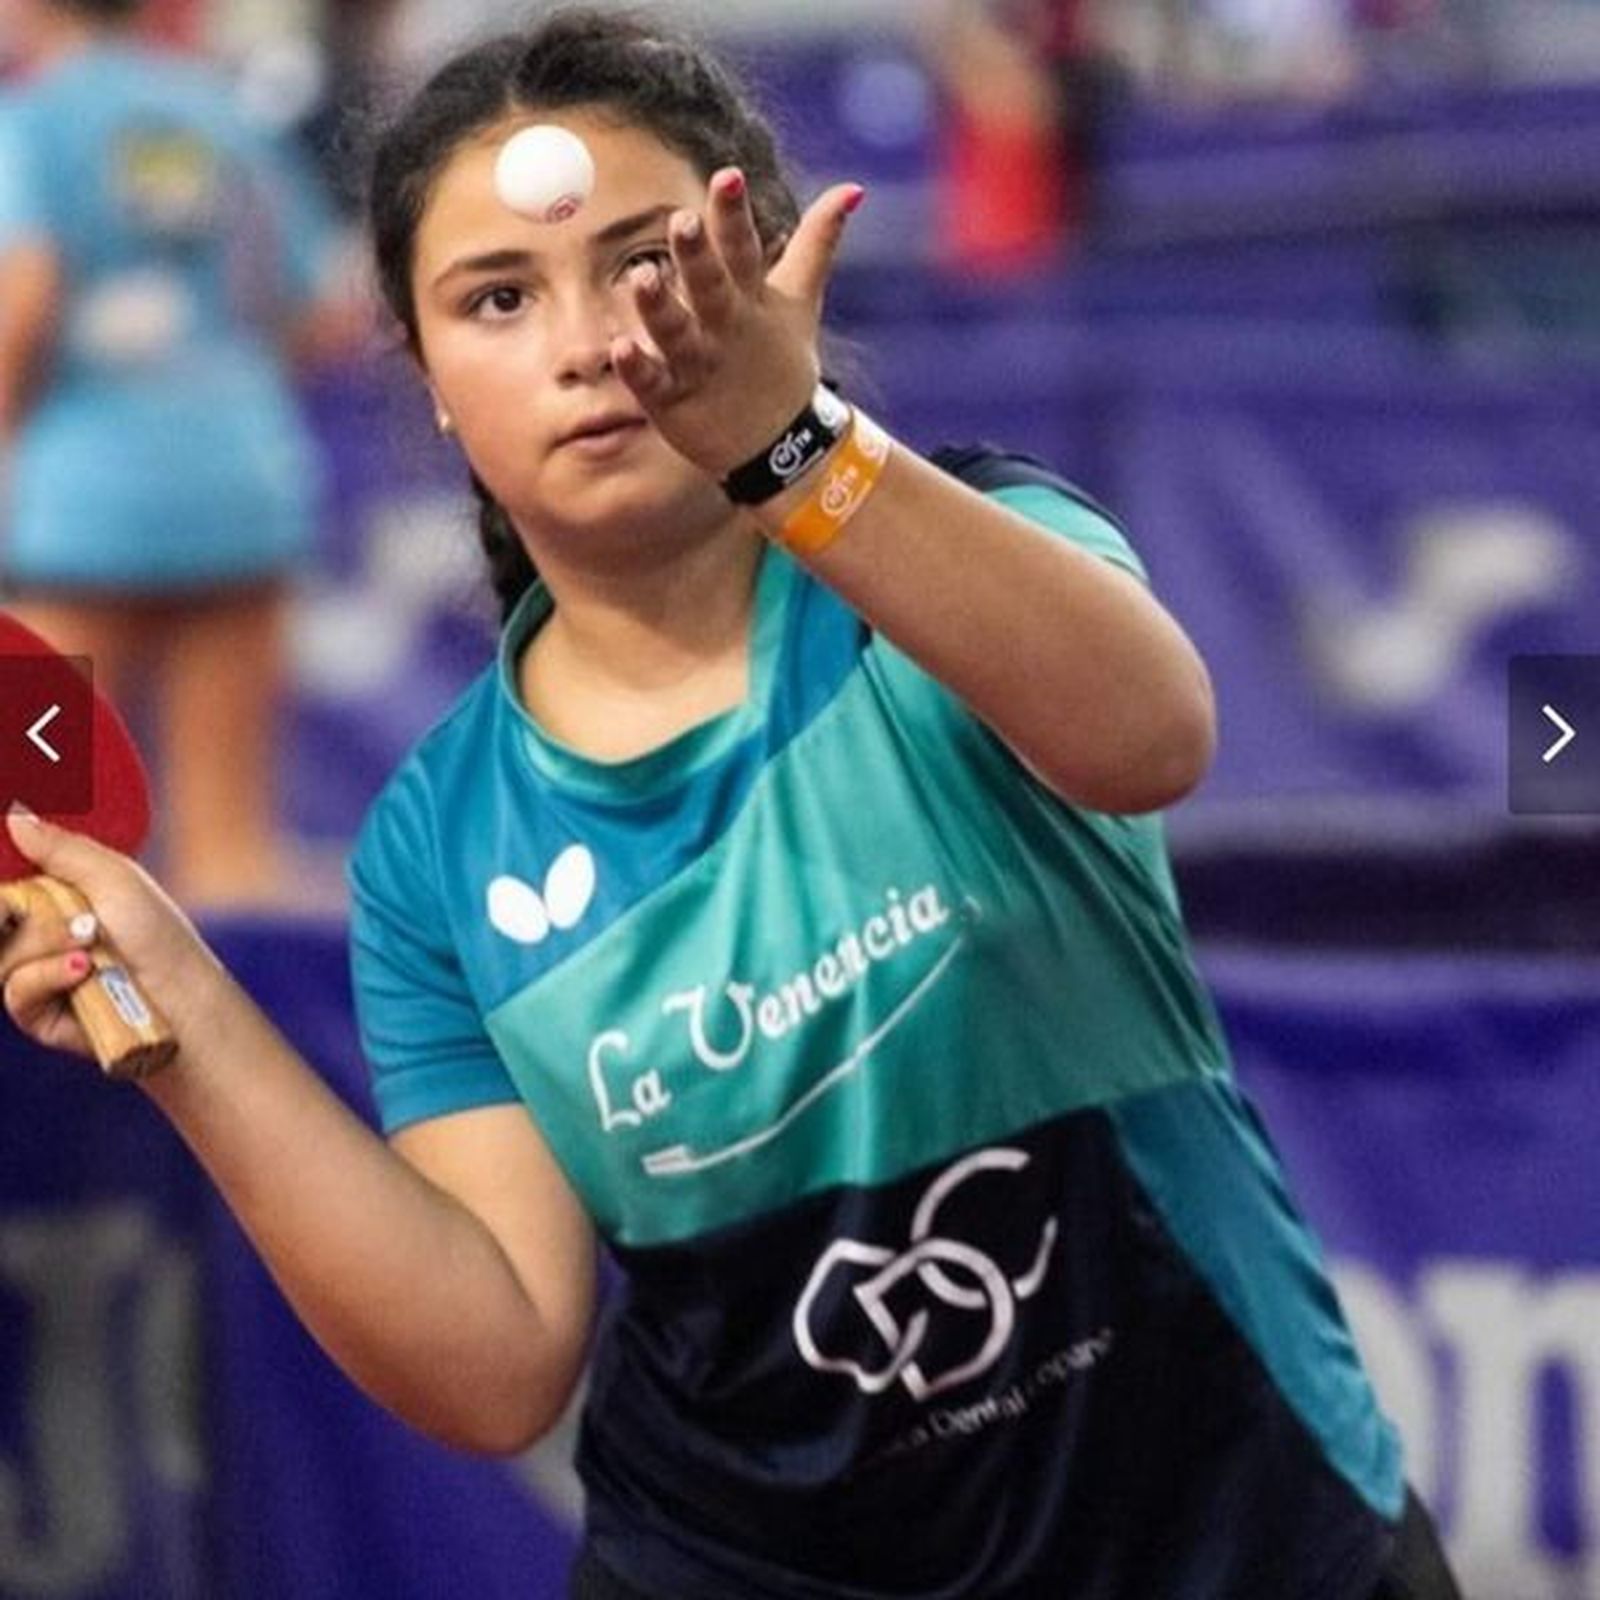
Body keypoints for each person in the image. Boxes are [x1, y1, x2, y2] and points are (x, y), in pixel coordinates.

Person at [0, 10, 1463, 1598]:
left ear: (756, 274)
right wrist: (191, 1024)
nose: (586, 342)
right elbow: (495, 1361)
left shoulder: (956, 562)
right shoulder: (438, 840)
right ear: (424, 382)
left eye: (643, 265)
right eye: (497, 299)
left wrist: (798, 450)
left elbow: (1148, 733)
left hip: (1236, 1544)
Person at [0, 0, 358, 906]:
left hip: (82, 520)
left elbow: (26, 293)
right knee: (232, 855)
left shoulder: (29, 122)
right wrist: (210, 372)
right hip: (244, 489)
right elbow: (323, 309)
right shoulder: (223, 113)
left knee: (40, 843)